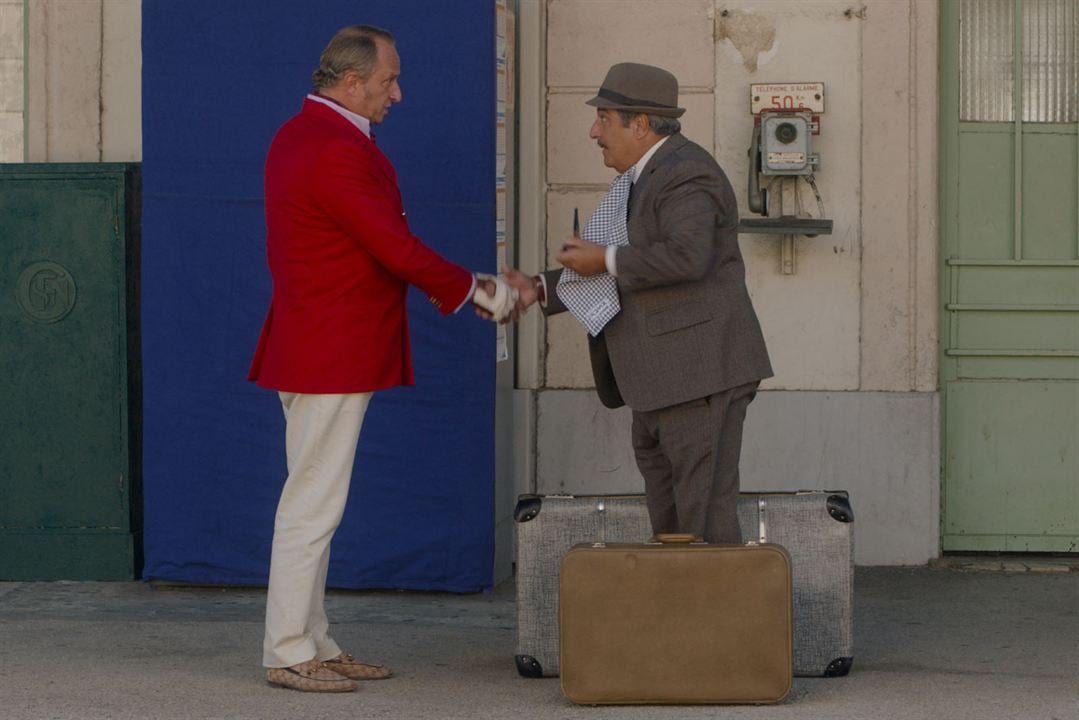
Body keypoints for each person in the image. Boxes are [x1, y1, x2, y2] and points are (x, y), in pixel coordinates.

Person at [248, 25, 510, 693]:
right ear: (352, 82)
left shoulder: (301, 134)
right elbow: (390, 245)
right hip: (329, 350)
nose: (399, 92)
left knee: (312, 503)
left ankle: (312, 640)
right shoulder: (332, 148)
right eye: (389, 80)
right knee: (311, 506)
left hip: (314, 344)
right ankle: (286, 650)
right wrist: (479, 290)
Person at [506, 62, 772, 547]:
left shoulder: (688, 173)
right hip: (659, 382)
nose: (594, 132)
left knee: (703, 523)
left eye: (604, 119)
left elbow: (686, 256)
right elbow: (613, 266)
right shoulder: (643, 177)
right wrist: (537, 289)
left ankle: (715, 622)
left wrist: (603, 258)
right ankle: (675, 618)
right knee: (672, 527)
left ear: (641, 123)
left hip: (697, 377)